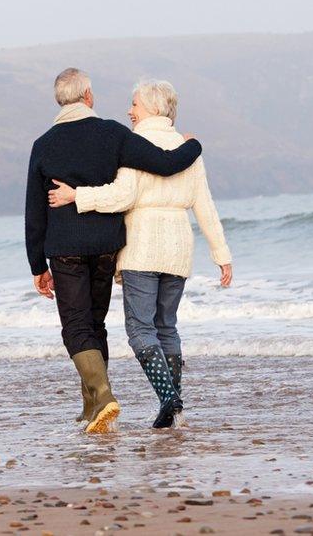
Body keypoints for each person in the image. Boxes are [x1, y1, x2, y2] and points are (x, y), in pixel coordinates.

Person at [24, 68, 203, 433]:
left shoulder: (43, 144)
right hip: (106, 247)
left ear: (61, 100)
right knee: (94, 322)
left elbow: (35, 210)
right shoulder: (113, 134)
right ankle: (91, 405)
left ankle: (103, 396)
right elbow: (167, 165)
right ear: (88, 96)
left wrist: (36, 264)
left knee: (76, 326)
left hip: (65, 249)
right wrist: (194, 145)